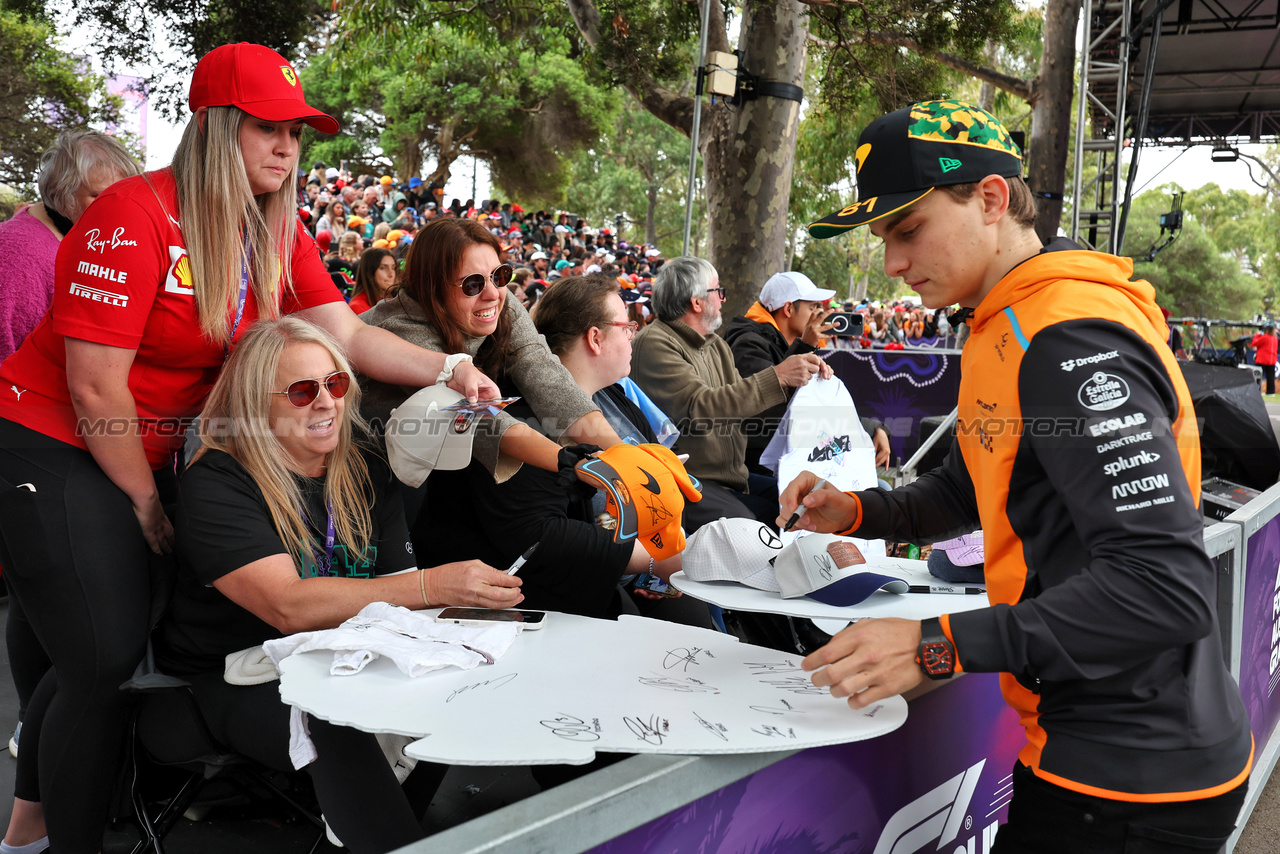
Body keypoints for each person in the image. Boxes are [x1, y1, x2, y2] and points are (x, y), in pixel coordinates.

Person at [0, 42, 502, 854]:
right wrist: (146, 502)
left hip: (148, 445)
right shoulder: (131, 213)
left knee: (101, 649)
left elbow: (344, 334)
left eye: (298, 133)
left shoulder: (274, 230)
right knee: (104, 659)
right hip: (56, 438)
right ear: (215, 128)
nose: (288, 147)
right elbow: (96, 392)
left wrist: (449, 366)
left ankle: (27, 829)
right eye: (269, 127)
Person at [784, 99, 1251, 853]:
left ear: (992, 200)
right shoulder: (1002, 320)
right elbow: (978, 489)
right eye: (882, 239)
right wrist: (859, 512)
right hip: (1085, 744)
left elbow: (1164, 588)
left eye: (908, 230)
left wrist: (934, 645)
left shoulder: (1065, 334)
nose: (894, 265)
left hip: (1133, 779)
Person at [154, 317, 519, 854]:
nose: (325, 402)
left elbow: (395, 587)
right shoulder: (219, 481)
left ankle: (377, 837)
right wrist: (435, 584)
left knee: (453, 683)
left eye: (337, 383)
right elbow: (287, 606)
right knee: (339, 720)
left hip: (341, 650)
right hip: (228, 676)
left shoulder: (364, 462)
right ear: (257, 404)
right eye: (302, 390)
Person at [417, 275, 713, 627]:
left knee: (693, 612)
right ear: (595, 338)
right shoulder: (521, 413)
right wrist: (653, 562)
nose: (634, 335)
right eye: (626, 327)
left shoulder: (615, 398)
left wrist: (654, 566)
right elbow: (539, 537)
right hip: (532, 599)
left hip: (608, 574)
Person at [0, 130, 140, 762]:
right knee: (50, 610)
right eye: (99, 195)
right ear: (63, 193)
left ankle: (42, 736)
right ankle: (37, 735)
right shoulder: (25, 253)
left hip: (71, 440)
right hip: (36, 445)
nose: (115, 206)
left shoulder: (73, 240)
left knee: (46, 607)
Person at [359, 218, 624, 526]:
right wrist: (571, 463)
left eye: (500, 275)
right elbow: (480, 419)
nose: (492, 293)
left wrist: (622, 455)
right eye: (472, 284)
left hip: (420, 460)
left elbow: (543, 371)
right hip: (361, 466)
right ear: (431, 287)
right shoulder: (401, 326)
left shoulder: (499, 295)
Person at [629, 256, 830, 530]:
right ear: (696, 301)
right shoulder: (655, 342)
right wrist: (779, 375)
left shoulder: (715, 345)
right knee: (763, 524)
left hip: (734, 477)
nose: (723, 299)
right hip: (687, 480)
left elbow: (747, 410)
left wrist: (802, 378)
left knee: (807, 503)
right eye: (718, 291)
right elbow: (699, 408)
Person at [723, 270, 890, 474]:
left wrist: (873, 427)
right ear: (788, 309)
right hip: (760, 468)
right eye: (814, 306)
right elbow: (780, 409)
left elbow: (816, 406)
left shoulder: (789, 344)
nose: (821, 313)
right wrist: (804, 347)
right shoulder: (748, 344)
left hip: (791, 460)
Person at [347, 247, 397, 315]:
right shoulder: (358, 307)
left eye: (393, 268)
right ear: (369, 272)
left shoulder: (391, 299)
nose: (391, 274)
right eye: (383, 268)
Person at [1250, 323, 1277, 394]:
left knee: (1258, 376)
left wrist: (1258, 335)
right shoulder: (1275, 338)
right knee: (1271, 377)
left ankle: (1256, 391)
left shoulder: (1265, 337)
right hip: (1272, 361)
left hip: (1262, 360)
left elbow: (1254, 343)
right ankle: (1271, 392)